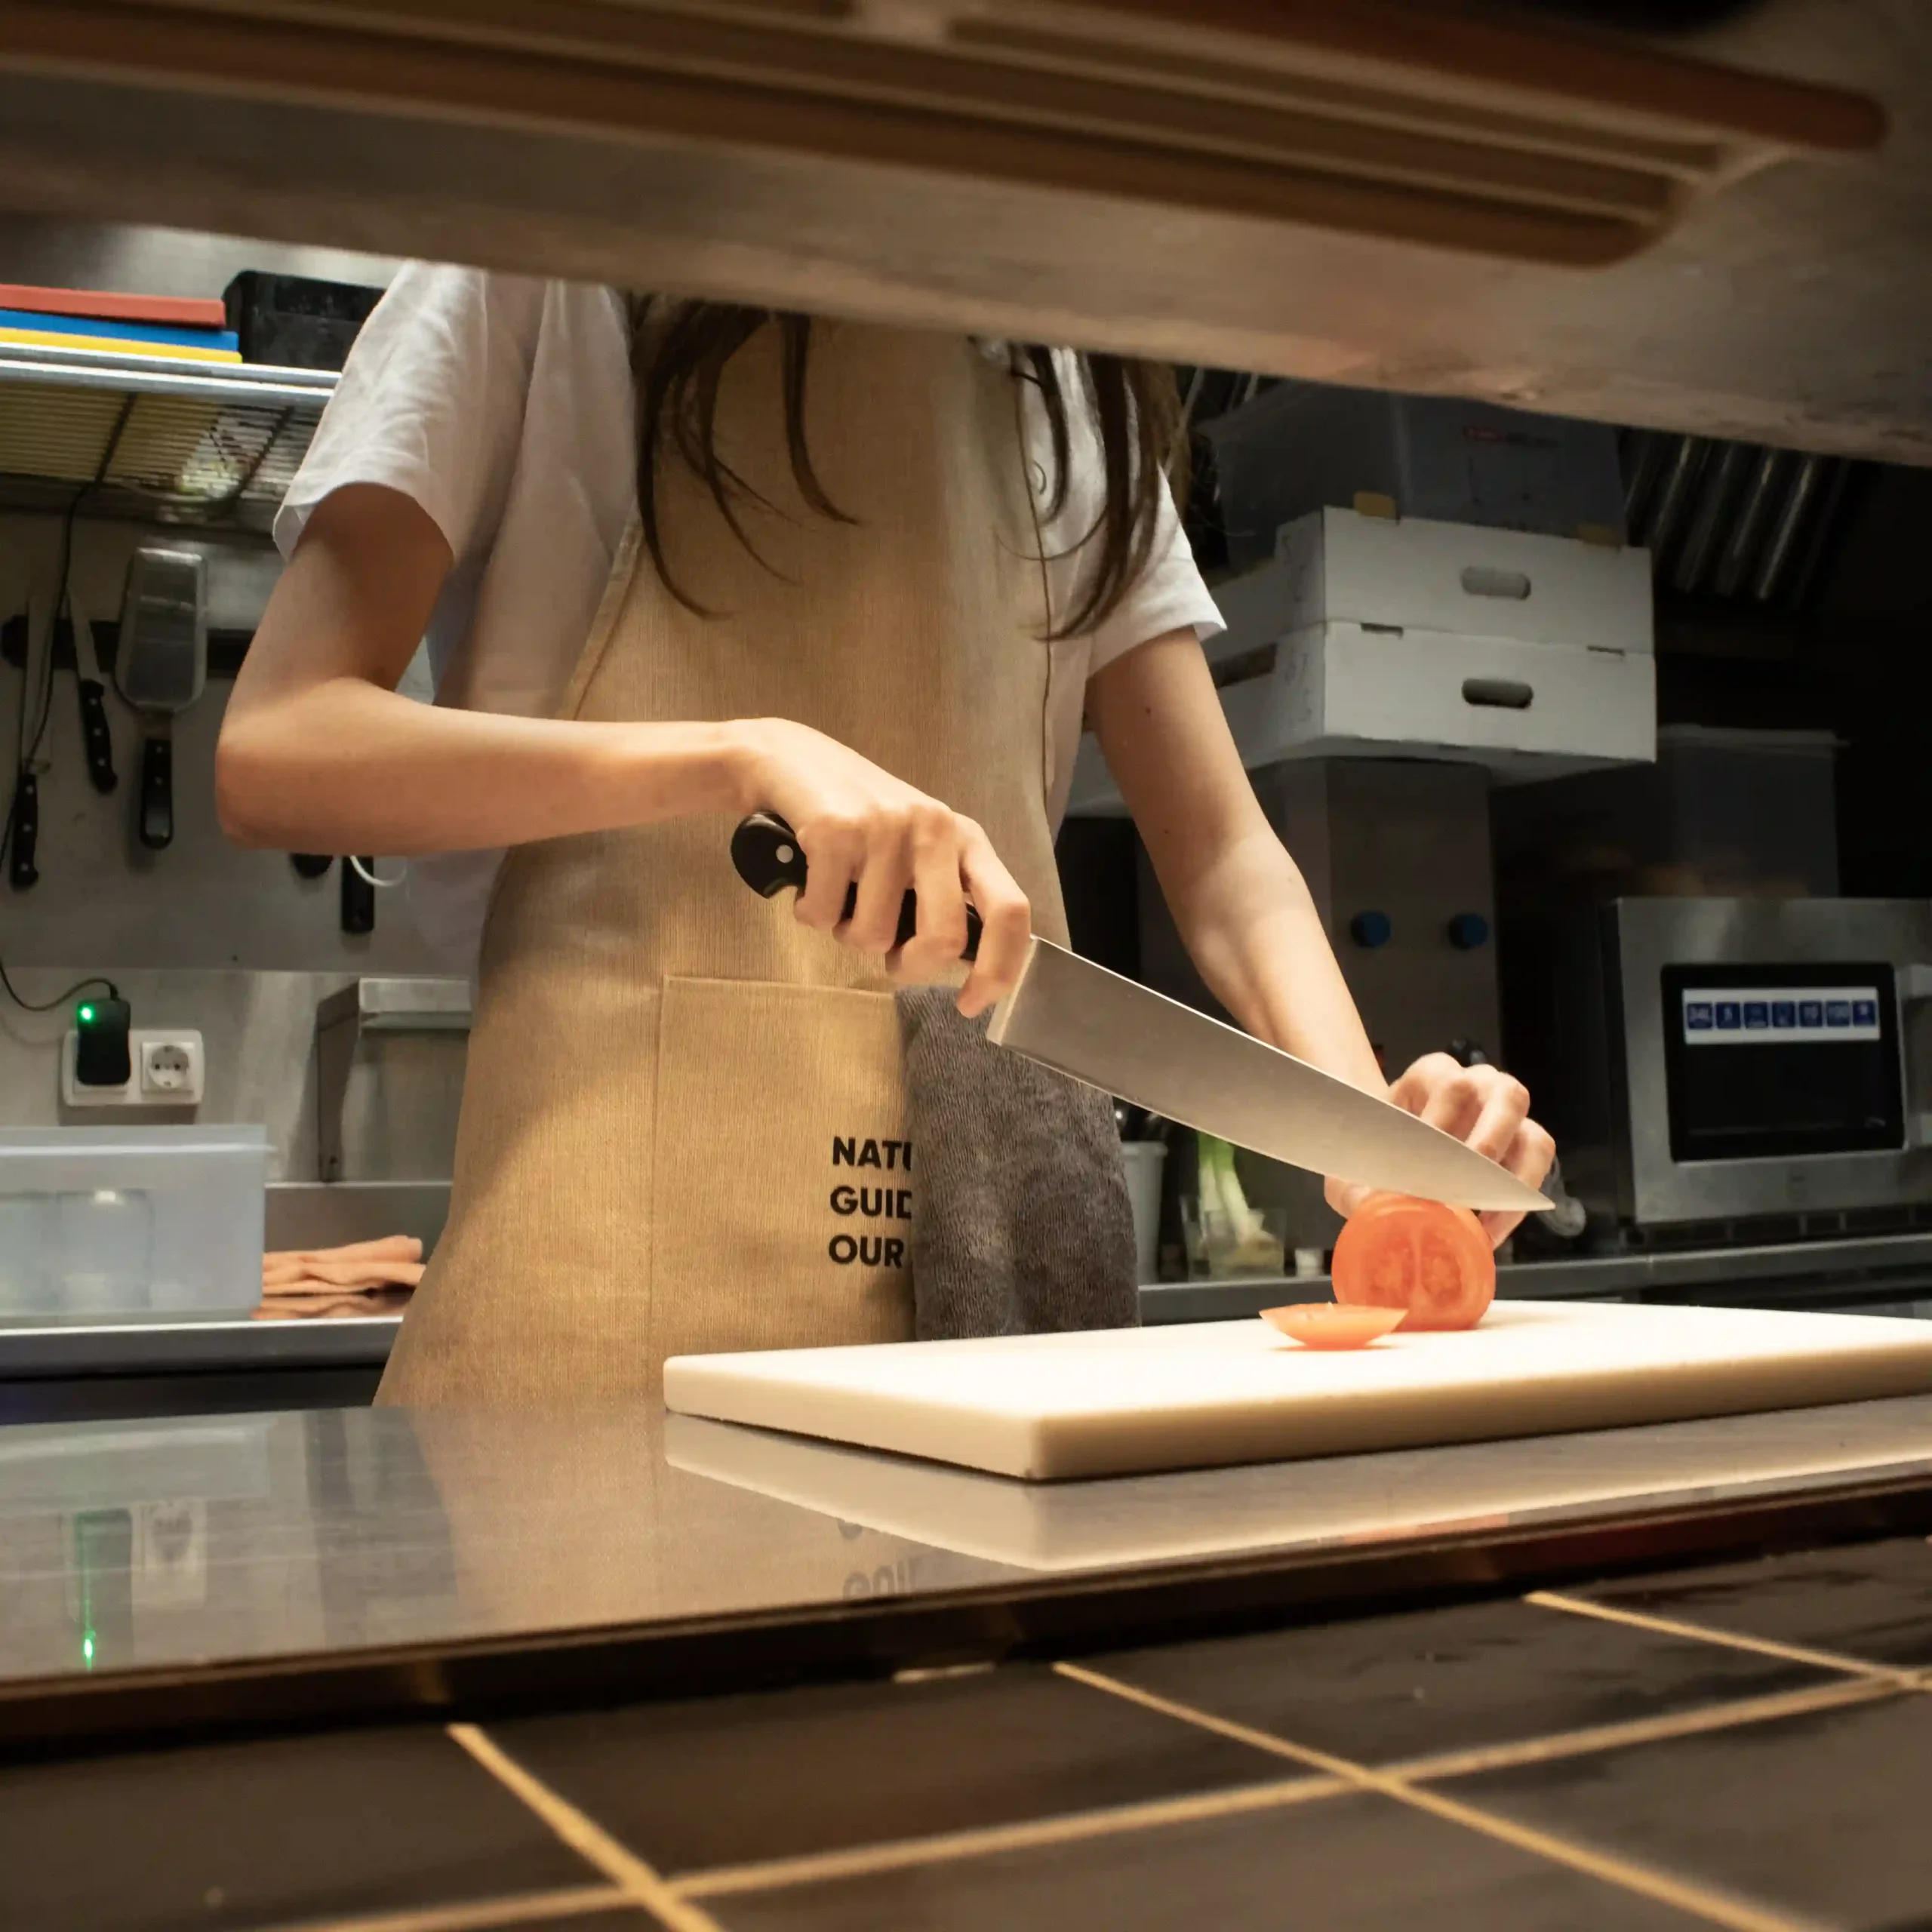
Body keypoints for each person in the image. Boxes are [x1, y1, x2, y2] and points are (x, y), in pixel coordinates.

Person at [217, 268, 1555, 1406]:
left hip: (996, 1332)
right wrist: (736, 754)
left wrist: (1375, 1138)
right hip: (608, 1325)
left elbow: (1222, 861)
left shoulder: (1065, 391)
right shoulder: (548, 271)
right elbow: (279, 750)